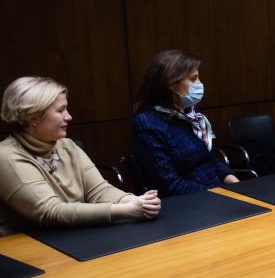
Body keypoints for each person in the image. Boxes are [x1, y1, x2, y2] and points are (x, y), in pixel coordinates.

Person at [0, 77, 160, 236]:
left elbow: (99, 191)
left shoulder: (67, 145)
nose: (69, 116)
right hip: (28, 244)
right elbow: (51, 211)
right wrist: (125, 210)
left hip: (74, 236)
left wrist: (133, 201)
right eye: (60, 110)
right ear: (33, 118)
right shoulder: (6, 156)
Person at [132, 50, 239, 197]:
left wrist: (231, 179)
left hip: (217, 193)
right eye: (193, 78)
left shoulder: (191, 114)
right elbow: (168, 184)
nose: (200, 84)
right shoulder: (148, 123)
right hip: (190, 201)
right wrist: (218, 193)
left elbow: (210, 157)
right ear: (171, 83)